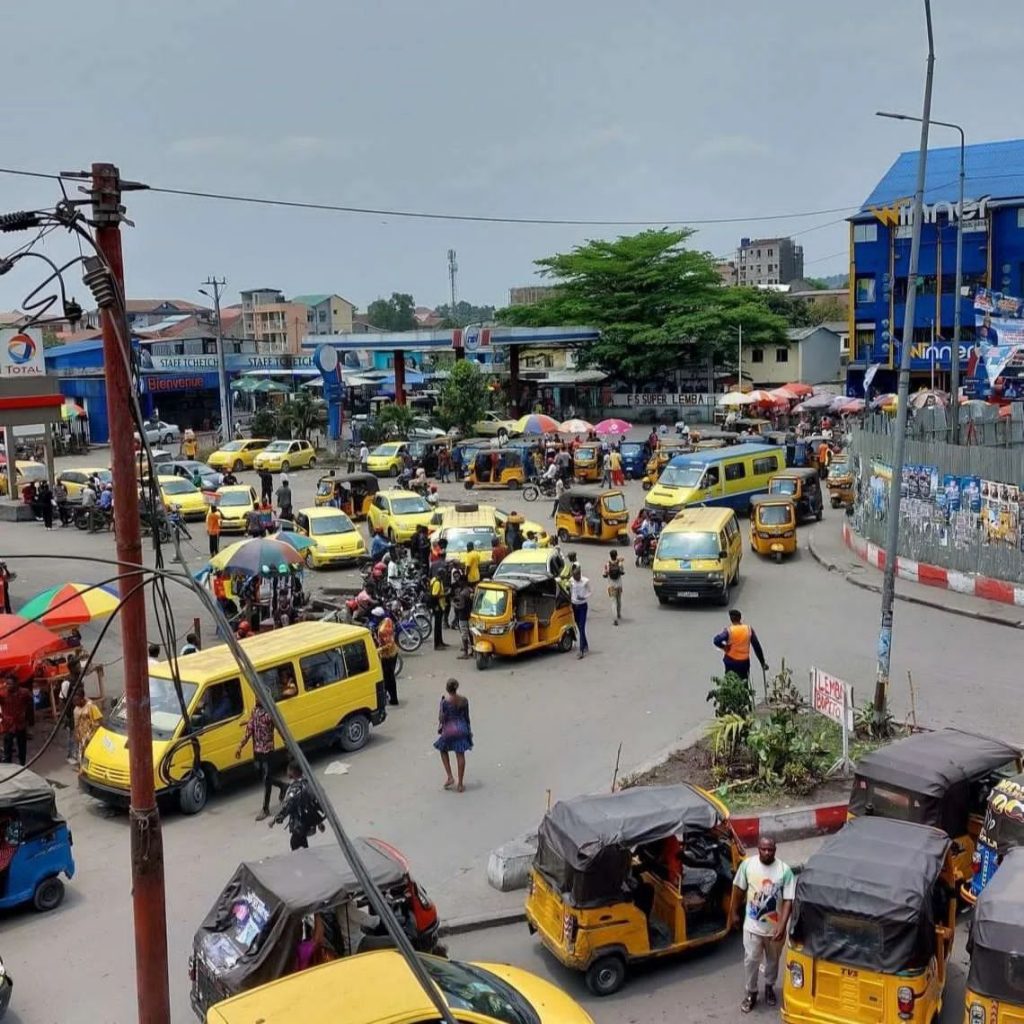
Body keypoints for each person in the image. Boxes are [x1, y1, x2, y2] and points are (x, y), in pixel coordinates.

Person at [730, 835, 795, 1013]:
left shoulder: (785, 870)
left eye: (770, 849)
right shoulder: (748, 866)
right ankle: (751, 992)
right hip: (752, 928)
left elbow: (789, 900)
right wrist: (734, 913)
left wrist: (782, 926)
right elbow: (739, 890)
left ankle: (769, 987)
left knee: (773, 961)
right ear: (758, 848)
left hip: (775, 931)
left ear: (775, 849)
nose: (767, 852)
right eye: (763, 849)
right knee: (751, 960)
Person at [236, 699, 288, 820]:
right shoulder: (255, 711)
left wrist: (285, 741)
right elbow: (249, 729)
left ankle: (265, 809)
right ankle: (282, 785)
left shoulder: (271, 713)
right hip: (257, 750)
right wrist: (240, 746)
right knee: (261, 775)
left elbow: (280, 727)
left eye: (259, 697)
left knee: (267, 779)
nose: (256, 699)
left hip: (268, 750)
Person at [270, 760, 326, 851]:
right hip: (308, 820)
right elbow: (313, 804)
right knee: (303, 843)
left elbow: (288, 806)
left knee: (295, 843)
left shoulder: (295, 788)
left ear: (293, 772)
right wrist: (319, 822)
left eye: (288, 770)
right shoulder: (307, 783)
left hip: (299, 822)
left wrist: (275, 819)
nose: (287, 772)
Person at [434, 678, 472, 792]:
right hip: (462, 728)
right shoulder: (464, 700)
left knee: (442, 749)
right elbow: (467, 717)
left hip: (450, 731)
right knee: (460, 755)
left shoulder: (445, 702)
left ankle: (450, 776)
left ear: (447, 688)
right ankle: (460, 784)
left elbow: (441, 718)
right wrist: (469, 730)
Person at [713, 609, 767, 681]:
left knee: (730, 683)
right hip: (744, 663)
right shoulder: (748, 629)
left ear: (731, 619)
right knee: (744, 683)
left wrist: (724, 647)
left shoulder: (729, 631)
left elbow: (716, 640)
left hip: (730, 662)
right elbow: (757, 646)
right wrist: (762, 662)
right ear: (740, 618)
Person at [0, 678, 32, 765]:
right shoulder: (3, 694)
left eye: (10, 684)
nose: (8, 686)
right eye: (7, 684)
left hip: (20, 724)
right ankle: (8, 767)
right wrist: (2, 717)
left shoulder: (24, 693)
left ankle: (22, 765)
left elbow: (30, 702)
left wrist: (26, 716)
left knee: (22, 746)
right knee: (8, 748)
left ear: (16, 684)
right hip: (8, 725)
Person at [71, 690, 102, 768]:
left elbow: (99, 719)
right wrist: (76, 734)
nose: (75, 703)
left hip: (92, 734)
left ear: (82, 699)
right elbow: (76, 724)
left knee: (92, 752)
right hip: (82, 735)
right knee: (82, 751)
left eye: (77, 701)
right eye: (74, 701)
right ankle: (82, 767)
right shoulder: (76, 710)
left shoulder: (91, 706)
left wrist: (95, 732)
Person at [375, 610, 400, 705]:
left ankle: (392, 698)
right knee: (389, 677)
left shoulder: (383, 630)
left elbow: (388, 644)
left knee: (388, 677)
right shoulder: (388, 620)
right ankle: (390, 696)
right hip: (393, 652)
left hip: (388, 655)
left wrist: (379, 650)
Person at [569, 564, 591, 659]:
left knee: (582, 627)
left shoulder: (585, 581)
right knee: (578, 626)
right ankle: (585, 644)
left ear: (579, 575)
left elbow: (590, 591)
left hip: (582, 606)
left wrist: (584, 597)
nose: (575, 578)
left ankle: (581, 650)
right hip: (574, 606)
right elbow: (570, 591)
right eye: (574, 577)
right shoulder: (571, 581)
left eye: (576, 576)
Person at [451, 573, 474, 658]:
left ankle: (465, 653)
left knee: (464, 634)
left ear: (463, 582)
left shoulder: (463, 593)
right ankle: (472, 650)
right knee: (471, 633)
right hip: (470, 615)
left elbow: (461, 605)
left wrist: (454, 605)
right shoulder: (470, 590)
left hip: (463, 615)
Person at [429, 571, 450, 652]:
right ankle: (437, 645)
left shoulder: (434, 579)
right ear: (441, 575)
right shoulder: (437, 582)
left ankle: (440, 642)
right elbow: (434, 595)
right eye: (443, 575)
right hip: (437, 605)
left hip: (439, 605)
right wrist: (445, 594)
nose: (444, 577)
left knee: (439, 625)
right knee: (437, 626)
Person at [603, 549, 625, 625]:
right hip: (619, 585)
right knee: (619, 600)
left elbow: (604, 575)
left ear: (610, 556)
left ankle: (615, 619)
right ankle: (618, 614)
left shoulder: (607, 564)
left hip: (611, 586)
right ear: (616, 555)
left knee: (613, 602)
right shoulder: (620, 564)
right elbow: (622, 572)